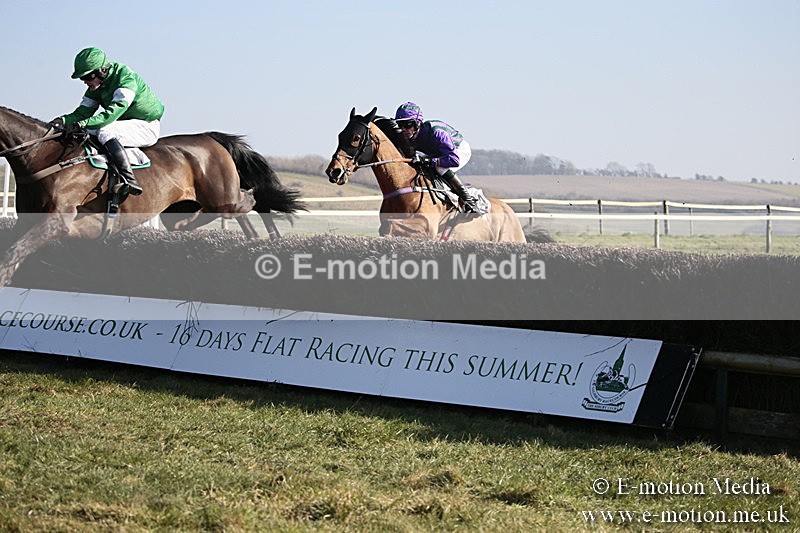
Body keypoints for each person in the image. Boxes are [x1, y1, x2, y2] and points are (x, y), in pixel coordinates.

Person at [50, 47, 165, 196]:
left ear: (102, 71)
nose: (85, 82)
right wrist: (62, 120)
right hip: (124, 126)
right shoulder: (96, 87)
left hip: (146, 126)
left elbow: (112, 113)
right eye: (82, 78)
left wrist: (83, 123)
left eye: (88, 77)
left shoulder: (125, 78)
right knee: (82, 131)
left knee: (104, 130)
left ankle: (128, 179)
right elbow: (82, 113)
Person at [394, 101, 482, 213]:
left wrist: (431, 161)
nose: (403, 129)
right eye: (400, 125)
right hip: (438, 152)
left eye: (407, 125)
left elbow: (454, 160)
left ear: (417, 123)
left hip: (458, 151)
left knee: (440, 168)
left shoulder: (437, 133)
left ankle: (469, 201)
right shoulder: (410, 136)